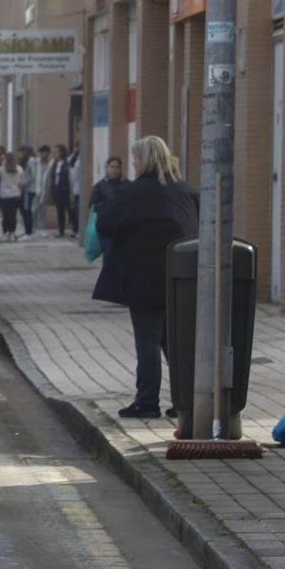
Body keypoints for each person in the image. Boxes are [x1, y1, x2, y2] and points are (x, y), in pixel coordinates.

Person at [92, 136, 198, 420]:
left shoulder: (135, 193)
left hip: (145, 279)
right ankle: (184, 401)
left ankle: (147, 401)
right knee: (173, 342)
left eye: (136, 158)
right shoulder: (186, 192)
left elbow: (104, 222)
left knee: (148, 341)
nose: (134, 163)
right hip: (181, 280)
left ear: (145, 160)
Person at [48, 145, 75, 237]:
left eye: (57, 152)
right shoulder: (53, 164)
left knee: (71, 211)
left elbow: (71, 178)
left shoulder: (67, 163)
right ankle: (61, 231)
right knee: (60, 212)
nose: (55, 154)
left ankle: (75, 229)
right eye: (54, 152)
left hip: (66, 191)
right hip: (57, 191)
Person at [0, 150, 25, 238]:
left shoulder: (2, 169)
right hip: (15, 195)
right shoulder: (19, 169)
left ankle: (5, 232)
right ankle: (12, 232)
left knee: (5, 215)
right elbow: (21, 182)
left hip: (4, 195)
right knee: (13, 215)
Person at [17, 143, 39, 237]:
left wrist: (23, 184)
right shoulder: (24, 161)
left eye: (20, 152)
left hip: (28, 190)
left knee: (26, 210)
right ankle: (27, 229)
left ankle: (29, 231)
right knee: (24, 210)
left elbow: (32, 176)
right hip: (25, 189)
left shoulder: (31, 161)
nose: (19, 155)